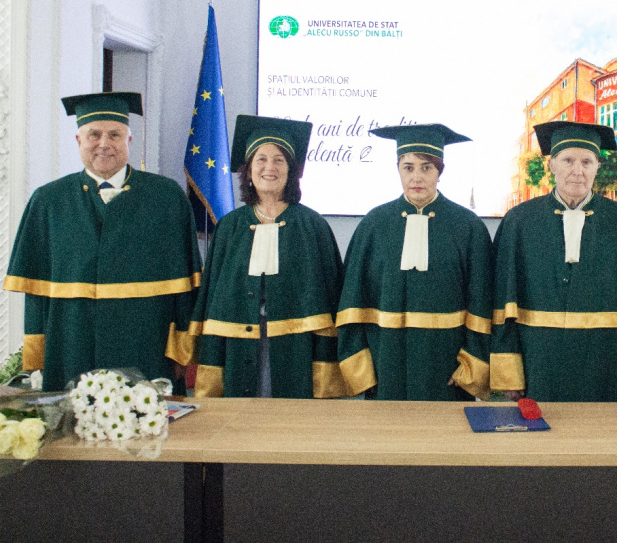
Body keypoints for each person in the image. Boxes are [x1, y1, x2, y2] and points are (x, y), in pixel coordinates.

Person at [3, 92, 201, 392]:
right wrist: (37, 356)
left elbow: (186, 290)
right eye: (94, 134)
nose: (104, 144)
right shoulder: (48, 201)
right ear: (78, 140)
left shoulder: (167, 197)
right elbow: (36, 292)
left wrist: (182, 350)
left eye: (115, 135)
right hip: (70, 345)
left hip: (147, 345)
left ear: (129, 140)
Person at [491, 121, 617, 402]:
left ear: (597, 167)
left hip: (606, 362)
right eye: (568, 160)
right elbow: (502, 300)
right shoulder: (519, 221)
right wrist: (508, 371)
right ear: (551, 165)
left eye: (587, 162)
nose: (578, 171)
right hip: (537, 360)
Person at [192, 115, 344, 398]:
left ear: (291, 170)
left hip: (297, 348)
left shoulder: (313, 226)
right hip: (238, 346)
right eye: (261, 159)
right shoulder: (230, 227)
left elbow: (331, 300)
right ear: (248, 169)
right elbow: (213, 299)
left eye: (279, 160)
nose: (269, 167)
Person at [336, 123, 492, 401]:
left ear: (440, 171)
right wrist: (362, 368)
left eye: (426, 167)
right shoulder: (374, 224)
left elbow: (482, 301)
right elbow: (352, 301)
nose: (417, 176)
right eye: (408, 167)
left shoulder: (468, 227)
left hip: (447, 366)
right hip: (385, 363)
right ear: (398, 169)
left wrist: (470, 366)